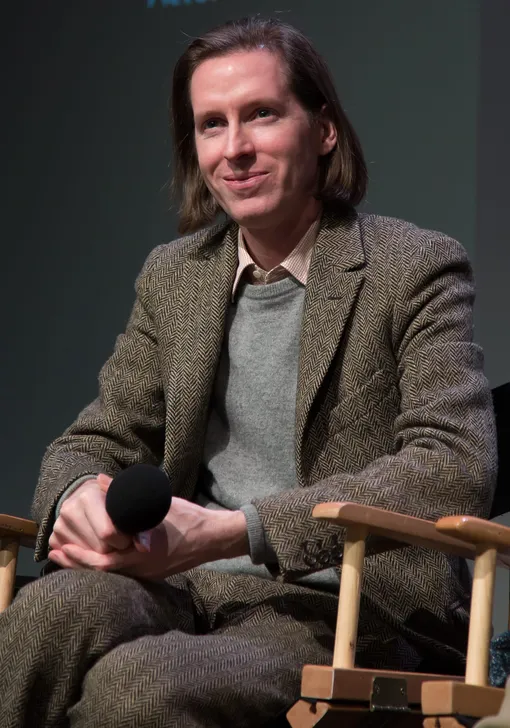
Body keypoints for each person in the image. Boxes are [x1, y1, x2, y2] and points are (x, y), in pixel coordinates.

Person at [0, 15, 497, 728]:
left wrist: (242, 529)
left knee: (139, 688)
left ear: (323, 129)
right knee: (48, 612)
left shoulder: (412, 268)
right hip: (186, 585)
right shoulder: (175, 277)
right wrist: (79, 493)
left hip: (344, 605)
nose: (234, 150)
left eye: (261, 115)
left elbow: (453, 465)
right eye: (211, 125)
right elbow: (95, 439)